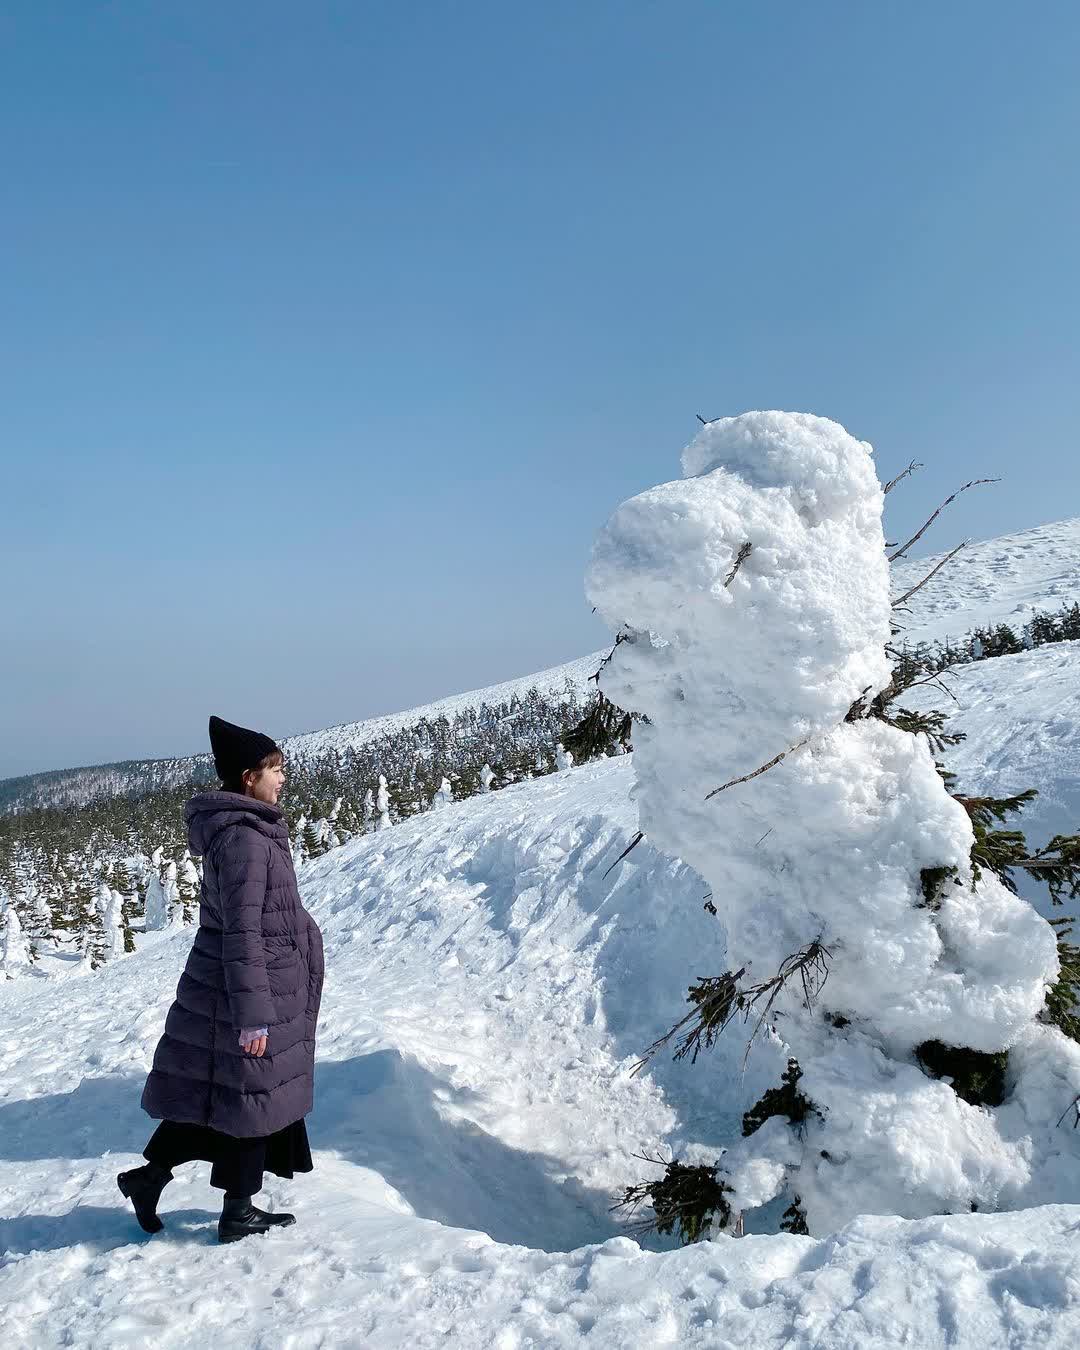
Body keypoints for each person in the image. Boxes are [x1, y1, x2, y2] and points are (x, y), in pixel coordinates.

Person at [118, 715, 325, 1243]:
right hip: (246, 992)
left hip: (250, 984)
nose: (283, 777)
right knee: (250, 1097)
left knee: (225, 1096)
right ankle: (237, 1210)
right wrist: (253, 1016)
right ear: (247, 776)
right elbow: (243, 931)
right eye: (274, 769)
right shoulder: (245, 841)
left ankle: (150, 1178)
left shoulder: (252, 830)